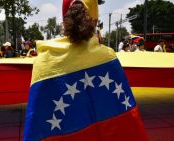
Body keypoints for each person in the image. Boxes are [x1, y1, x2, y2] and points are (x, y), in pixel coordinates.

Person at [23, 0, 147, 141]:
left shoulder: (43, 62)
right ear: (95, 21)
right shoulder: (107, 57)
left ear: (65, 20)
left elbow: (37, 125)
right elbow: (127, 119)